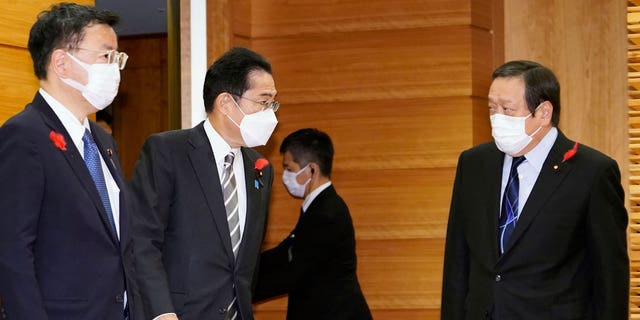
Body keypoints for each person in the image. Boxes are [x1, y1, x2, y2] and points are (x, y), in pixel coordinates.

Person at [441, 60, 629, 319]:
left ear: (543, 112)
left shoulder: (592, 173)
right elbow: (457, 263)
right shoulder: (474, 164)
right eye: (492, 109)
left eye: (508, 109)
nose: (497, 119)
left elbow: (610, 276)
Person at [0, 3, 133, 319]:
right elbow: (12, 251)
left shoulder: (102, 141)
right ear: (61, 62)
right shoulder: (23, 135)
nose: (114, 67)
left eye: (118, 57)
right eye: (106, 56)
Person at [130, 47, 278, 320]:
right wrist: (161, 311)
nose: (271, 113)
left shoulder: (260, 169)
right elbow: (142, 240)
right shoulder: (167, 151)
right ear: (225, 103)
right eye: (263, 102)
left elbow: (246, 262)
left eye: (273, 103)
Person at [253, 128, 373, 320]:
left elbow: (294, 273)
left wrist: (240, 291)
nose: (285, 176)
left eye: (289, 169)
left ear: (312, 170)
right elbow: (286, 251)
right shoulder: (319, 206)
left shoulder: (326, 214)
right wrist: (243, 268)